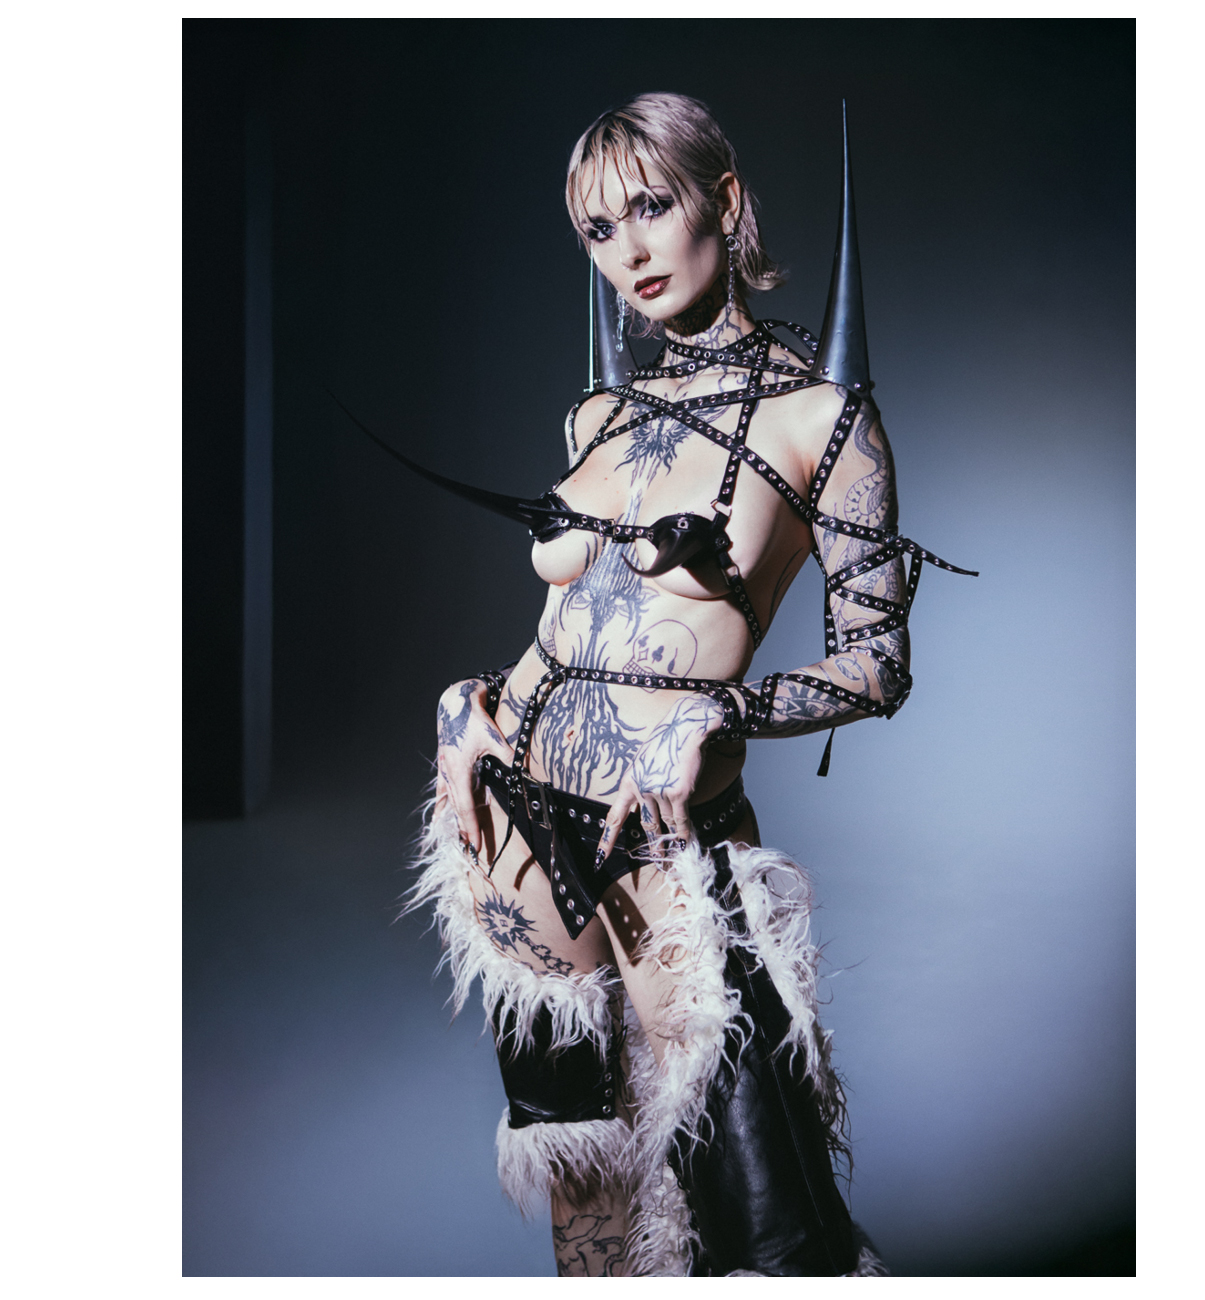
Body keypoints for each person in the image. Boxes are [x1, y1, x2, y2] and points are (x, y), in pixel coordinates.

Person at [382, 93, 975, 1277]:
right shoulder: (599, 414)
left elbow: (877, 662)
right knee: (579, 1161)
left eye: (651, 207)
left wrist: (721, 712)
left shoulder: (824, 420)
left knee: (759, 1211)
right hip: (515, 812)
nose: (630, 251)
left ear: (726, 201)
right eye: (599, 230)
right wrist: (465, 708)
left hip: (666, 837)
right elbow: (577, 624)